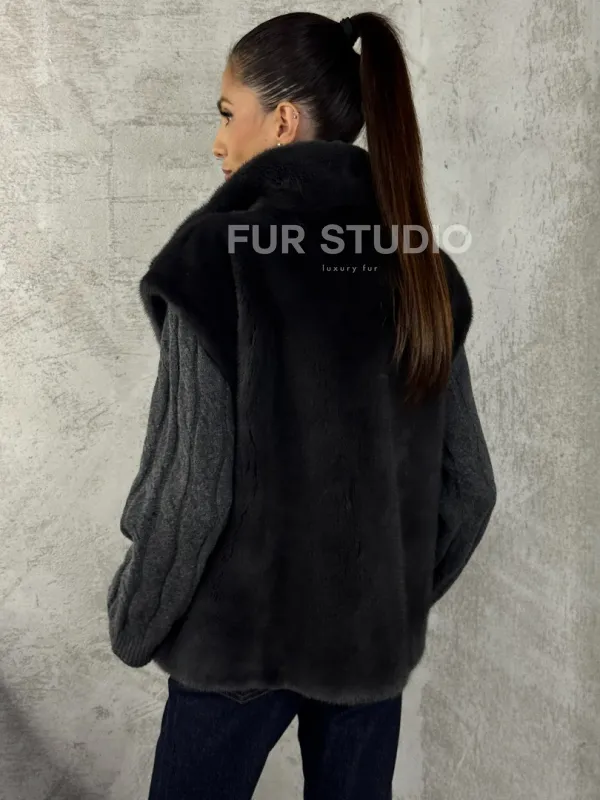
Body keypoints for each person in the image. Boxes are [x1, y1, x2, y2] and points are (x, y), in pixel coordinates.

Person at [106, 11, 497, 800]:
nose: (219, 141)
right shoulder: (420, 266)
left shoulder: (215, 259)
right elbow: (471, 490)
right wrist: (382, 602)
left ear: (281, 120)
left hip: (239, 646)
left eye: (228, 113)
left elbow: (191, 494)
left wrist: (134, 620)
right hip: (366, 653)